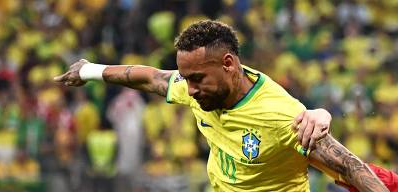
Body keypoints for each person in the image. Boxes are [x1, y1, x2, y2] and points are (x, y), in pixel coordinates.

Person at [54, 20, 388, 191]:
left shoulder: (282, 117)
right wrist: (90, 71)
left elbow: (349, 166)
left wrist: (320, 112)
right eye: (186, 77)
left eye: (197, 78)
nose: (190, 88)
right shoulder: (197, 88)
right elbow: (151, 78)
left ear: (228, 64)